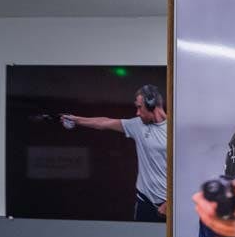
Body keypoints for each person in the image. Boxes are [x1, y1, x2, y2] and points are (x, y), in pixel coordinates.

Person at [62, 84, 168, 222]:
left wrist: (171, 201)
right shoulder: (137, 125)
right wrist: (76, 120)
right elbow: (104, 122)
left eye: (139, 107)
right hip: (145, 201)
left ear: (151, 104)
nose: (137, 112)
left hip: (170, 205)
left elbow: (188, 172)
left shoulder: (175, 129)